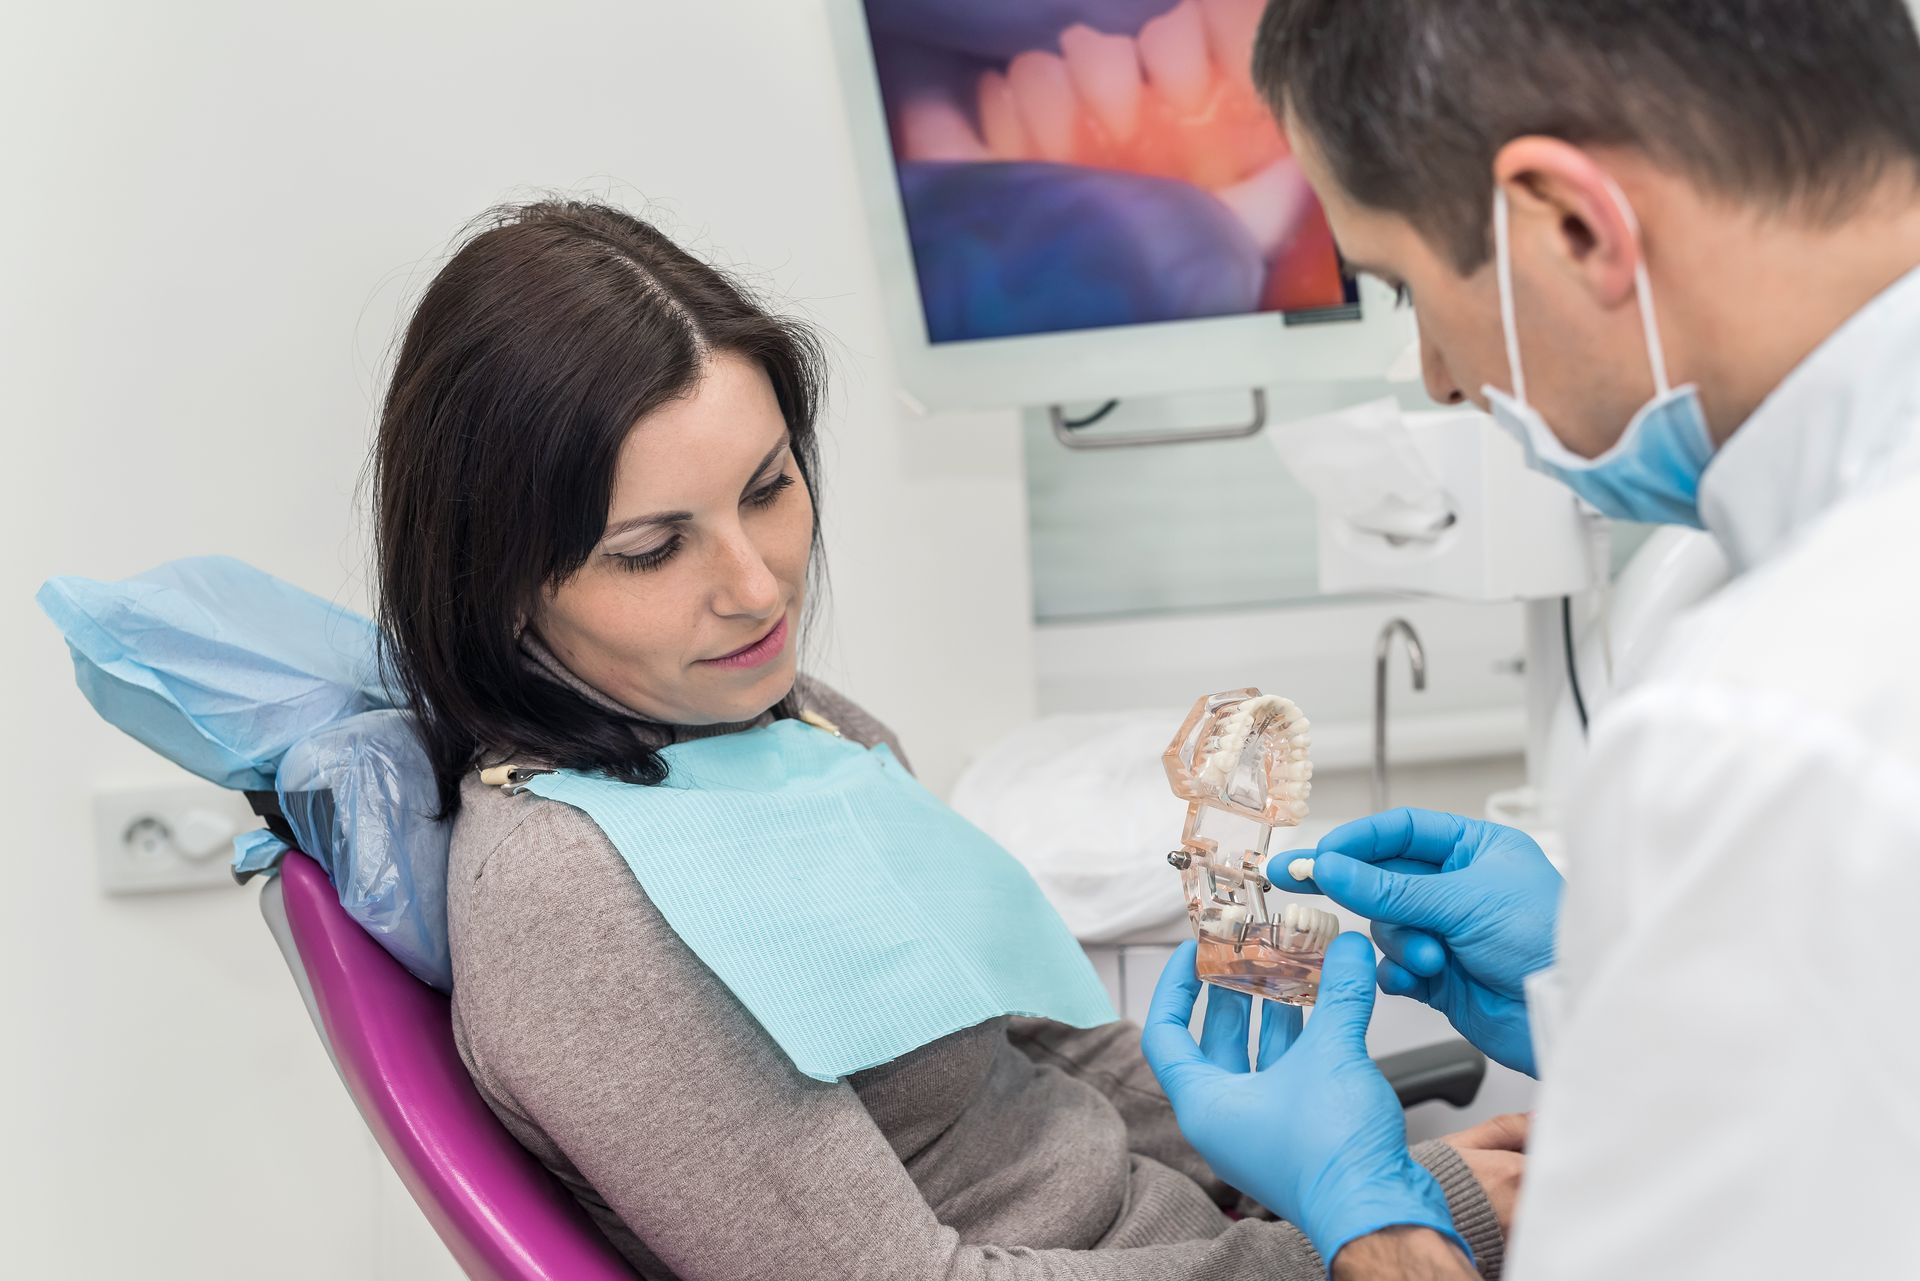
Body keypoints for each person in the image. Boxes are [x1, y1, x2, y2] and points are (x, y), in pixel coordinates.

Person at [370, 200, 1519, 1281]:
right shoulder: (576, 900)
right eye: (652, 550)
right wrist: (1372, 1237)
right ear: (500, 584)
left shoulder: (791, 723)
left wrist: (1360, 1176)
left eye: (768, 489)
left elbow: (1043, 1050)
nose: (756, 586)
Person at [1142, 1, 1920, 1277]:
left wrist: (1369, 1218)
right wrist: (1615, 989)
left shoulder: (1764, 713)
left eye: (1407, 287)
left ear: (1570, 226)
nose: (1438, 376)